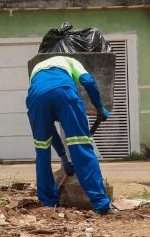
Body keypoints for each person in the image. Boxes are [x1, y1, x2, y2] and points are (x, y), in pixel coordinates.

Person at [25, 50, 113, 214]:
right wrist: (99, 107)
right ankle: (101, 205)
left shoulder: (37, 69)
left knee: (42, 150)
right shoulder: (71, 61)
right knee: (81, 147)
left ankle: (48, 204)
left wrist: (63, 157)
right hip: (65, 93)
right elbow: (88, 81)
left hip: (36, 98)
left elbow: (49, 130)